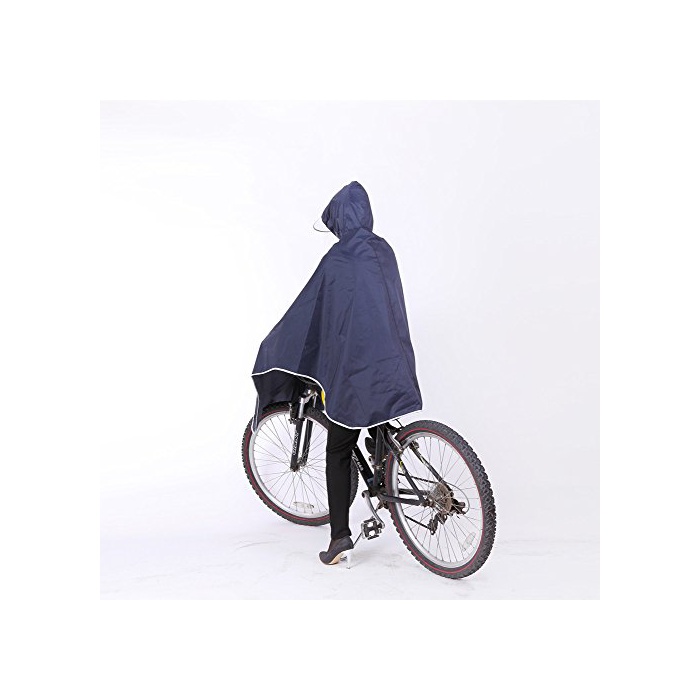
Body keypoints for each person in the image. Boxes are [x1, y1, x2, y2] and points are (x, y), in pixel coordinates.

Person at [250, 181, 422, 566]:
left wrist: (276, 344)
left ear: (340, 219)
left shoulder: (339, 257)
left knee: (338, 449)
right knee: (377, 417)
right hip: (393, 360)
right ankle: (384, 467)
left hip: (356, 371)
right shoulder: (384, 250)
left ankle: (340, 537)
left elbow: (309, 310)